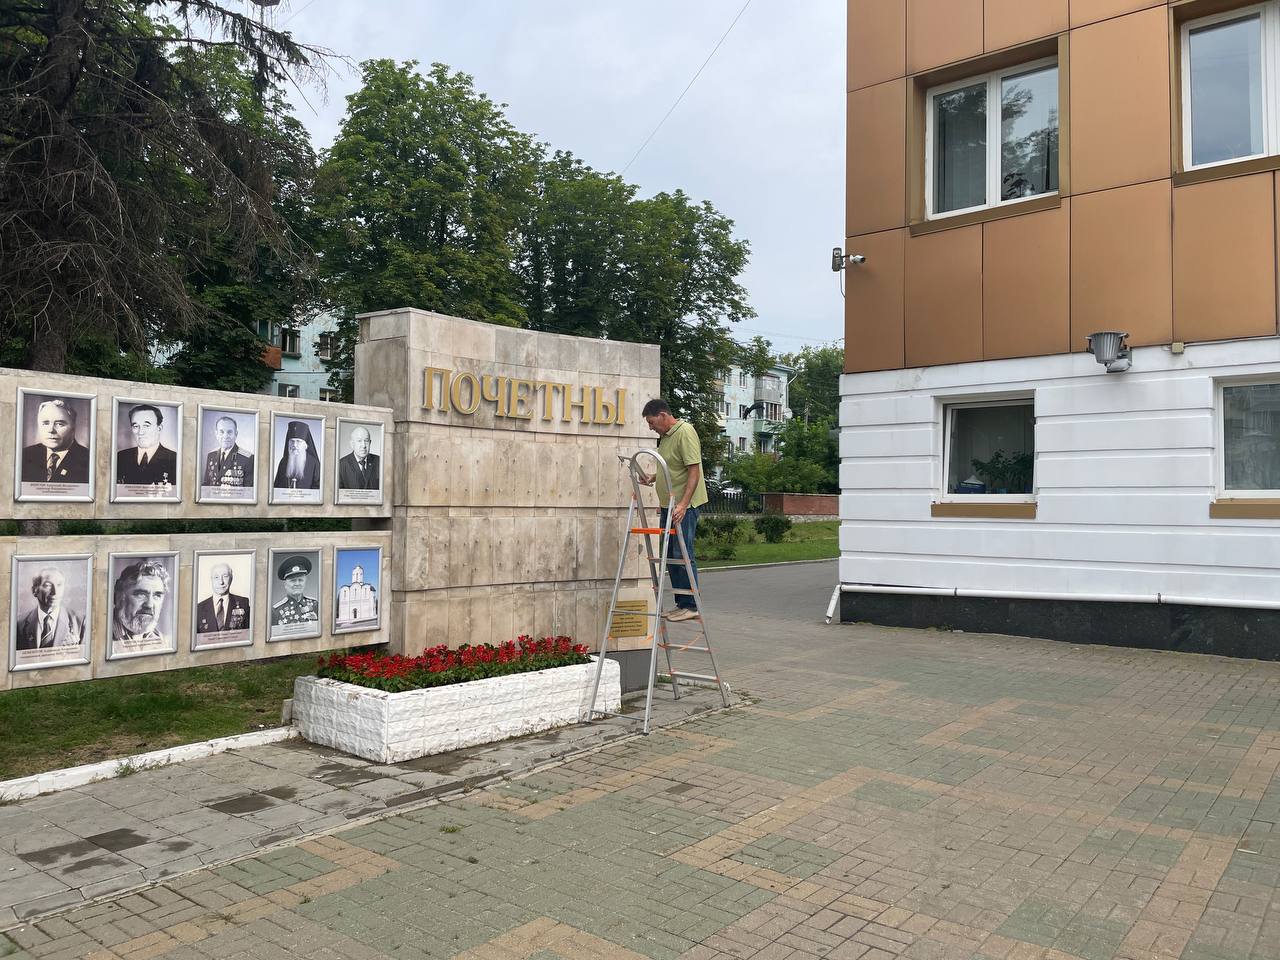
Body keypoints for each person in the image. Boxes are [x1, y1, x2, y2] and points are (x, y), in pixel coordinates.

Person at [641, 398, 708, 622]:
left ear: (662, 415)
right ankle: (682, 603)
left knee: (683, 553)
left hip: (683, 508)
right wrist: (653, 477)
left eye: (651, 422)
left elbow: (693, 471)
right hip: (669, 506)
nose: (650, 427)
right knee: (671, 556)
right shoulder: (665, 438)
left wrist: (683, 504)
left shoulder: (685, 432)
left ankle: (691, 605)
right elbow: (672, 468)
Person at [20, 397, 91, 484]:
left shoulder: (88, 459)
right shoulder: (25, 455)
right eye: (45, 423)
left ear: (73, 427)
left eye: (59, 424)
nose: (51, 430)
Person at [15, 567, 87, 650]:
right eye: (48, 585)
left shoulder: (80, 622)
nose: (55, 592)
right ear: (35, 590)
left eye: (59, 585)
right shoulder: (19, 624)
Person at [111, 558, 171, 647]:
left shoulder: (165, 643)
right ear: (119, 597)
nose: (149, 605)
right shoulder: (95, 632)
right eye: (141, 594)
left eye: (157, 596)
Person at [115, 403, 178, 487]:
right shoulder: (121, 457)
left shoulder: (174, 459)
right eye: (136, 426)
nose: (140, 432)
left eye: (146, 426)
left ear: (159, 428)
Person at [195, 562, 251, 635]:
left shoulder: (243, 603)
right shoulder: (199, 609)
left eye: (225, 576)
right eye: (216, 577)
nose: (221, 582)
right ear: (211, 579)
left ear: (231, 578)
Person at [202, 416, 254, 488]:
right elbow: (206, 486)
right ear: (216, 434)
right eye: (221, 432)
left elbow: (248, 492)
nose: (225, 436)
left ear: (236, 434)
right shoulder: (211, 455)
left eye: (229, 432)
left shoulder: (248, 459)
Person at [271, 555, 320, 628]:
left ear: (305, 582)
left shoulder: (315, 605)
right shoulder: (276, 611)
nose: (297, 584)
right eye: (293, 580)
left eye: (300, 580)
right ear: (285, 584)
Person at [273, 420, 321, 490]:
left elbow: (318, 488)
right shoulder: (283, 461)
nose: (294, 445)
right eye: (292, 441)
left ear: (305, 445)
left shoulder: (314, 463)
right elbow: (277, 486)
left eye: (298, 441)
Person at [337, 425, 380, 490]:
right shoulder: (341, 465)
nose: (363, 445)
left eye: (366, 441)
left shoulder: (379, 461)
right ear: (352, 444)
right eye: (359, 441)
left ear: (370, 443)